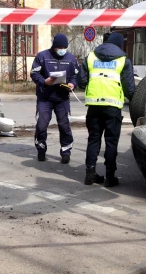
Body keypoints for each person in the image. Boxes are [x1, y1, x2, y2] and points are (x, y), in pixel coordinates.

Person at [79, 32, 135, 187]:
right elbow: (130, 88)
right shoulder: (124, 60)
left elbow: (82, 81)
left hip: (94, 106)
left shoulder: (91, 57)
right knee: (111, 142)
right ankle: (110, 177)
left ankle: (90, 175)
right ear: (119, 45)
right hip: (113, 108)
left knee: (93, 139)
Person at [30, 33, 79, 164]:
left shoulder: (71, 58)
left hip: (62, 98)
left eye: (65, 47)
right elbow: (34, 73)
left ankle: (66, 151)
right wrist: (44, 81)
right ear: (54, 46)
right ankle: (41, 149)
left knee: (64, 126)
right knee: (41, 124)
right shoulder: (42, 56)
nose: (62, 49)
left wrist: (72, 84)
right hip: (44, 97)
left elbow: (76, 76)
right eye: (60, 47)